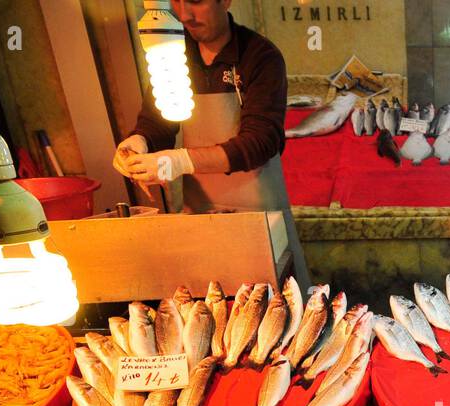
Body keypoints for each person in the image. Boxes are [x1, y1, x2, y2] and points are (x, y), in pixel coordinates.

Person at [112, 0, 309, 287]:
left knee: (277, 307)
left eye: (195, 1)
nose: (185, 15)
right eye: (176, 2)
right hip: (201, 211)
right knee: (213, 304)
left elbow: (260, 141)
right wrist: (138, 141)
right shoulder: (172, 53)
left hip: (260, 214)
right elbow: (157, 122)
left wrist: (180, 161)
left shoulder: (260, 56)